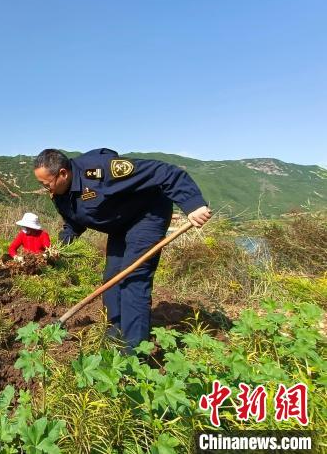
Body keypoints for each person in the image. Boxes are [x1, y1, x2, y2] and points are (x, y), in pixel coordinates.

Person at [33, 148, 212, 352]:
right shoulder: (59, 194)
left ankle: (132, 351)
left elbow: (166, 172)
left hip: (147, 216)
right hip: (119, 224)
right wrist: (58, 249)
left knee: (133, 279)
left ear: (63, 173)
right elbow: (74, 223)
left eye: (46, 183)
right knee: (112, 279)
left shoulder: (100, 171)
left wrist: (193, 204)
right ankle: (114, 334)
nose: (45, 188)